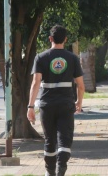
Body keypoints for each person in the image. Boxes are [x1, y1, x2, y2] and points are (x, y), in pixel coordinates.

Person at [27, 25, 85, 176]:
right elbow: (81, 85)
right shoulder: (72, 58)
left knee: (49, 140)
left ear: (50, 39)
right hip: (66, 104)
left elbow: (35, 83)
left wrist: (30, 106)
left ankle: (50, 172)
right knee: (65, 140)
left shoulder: (41, 57)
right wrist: (79, 102)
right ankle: (61, 170)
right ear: (66, 39)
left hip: (47, 105)